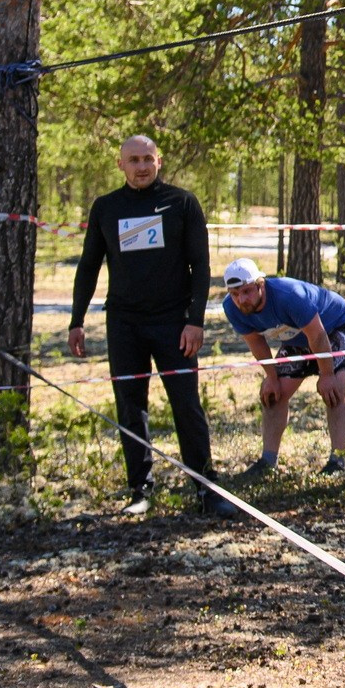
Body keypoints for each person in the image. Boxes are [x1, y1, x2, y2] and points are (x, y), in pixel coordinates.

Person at [68, 135, 221, 516]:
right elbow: (88, 266)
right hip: (124, 324)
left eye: (147, 159)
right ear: (120, 164)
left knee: (186, 405)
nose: (141, 166)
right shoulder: (106, 207)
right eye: (133, 159)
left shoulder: (182, 203)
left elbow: (200, 266)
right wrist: (77, 321)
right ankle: (140, 490)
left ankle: (205, 488)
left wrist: (195, 321)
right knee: (131, 408)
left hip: (174, 324)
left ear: (159, 161)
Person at [219, 259, 345, 477]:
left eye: (247, 291)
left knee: (334, 390)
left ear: (260, 284)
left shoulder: (289, 295)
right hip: (298, 338)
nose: (242, 300)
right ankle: (267, 462)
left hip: (335, 325)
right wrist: (271, 377)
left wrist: (327, 374)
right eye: (235, 294)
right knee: (274, 395)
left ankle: (338, 460)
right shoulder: (232, 308)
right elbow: (256, 343)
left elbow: (318, 335)